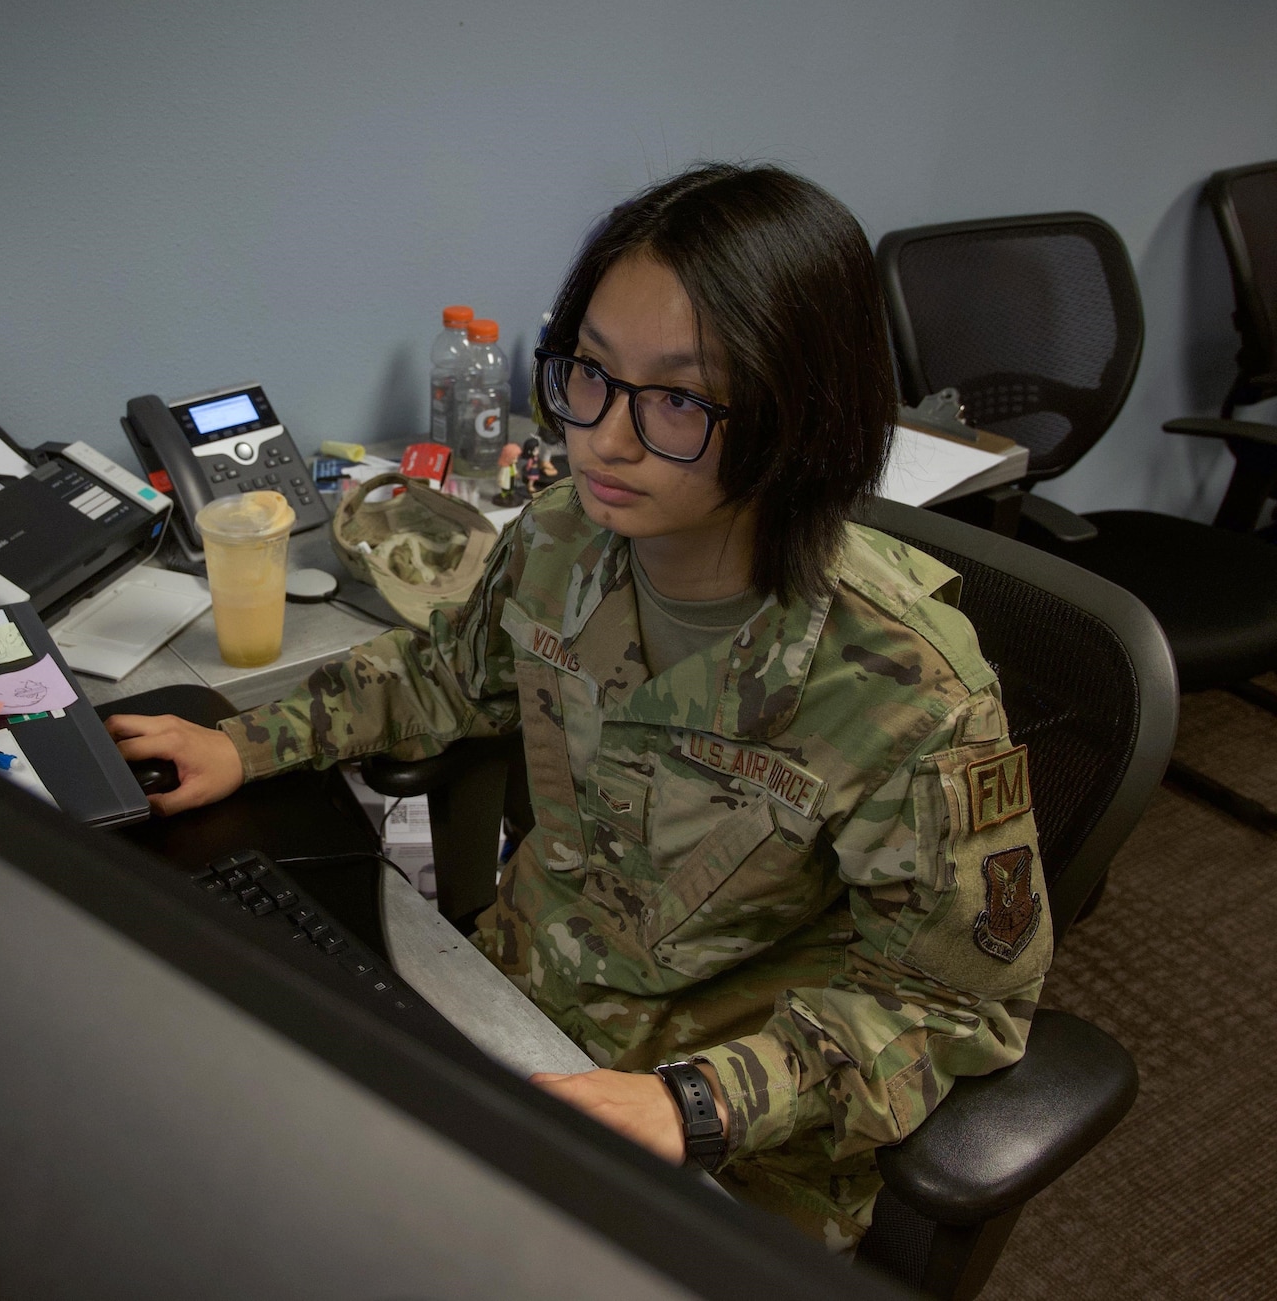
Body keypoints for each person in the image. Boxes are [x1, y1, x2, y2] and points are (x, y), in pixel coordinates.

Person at [106, 163, 1052, 1251]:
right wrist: (246, 742)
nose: (603, 436)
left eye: (680, 400)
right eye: (588, 374)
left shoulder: (903, 687)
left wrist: (696, 1104)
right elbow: (449, 674)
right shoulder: (564, 537)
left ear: (801, 414)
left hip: (724, 1139)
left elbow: (953, 1005)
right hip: (511, 1007)